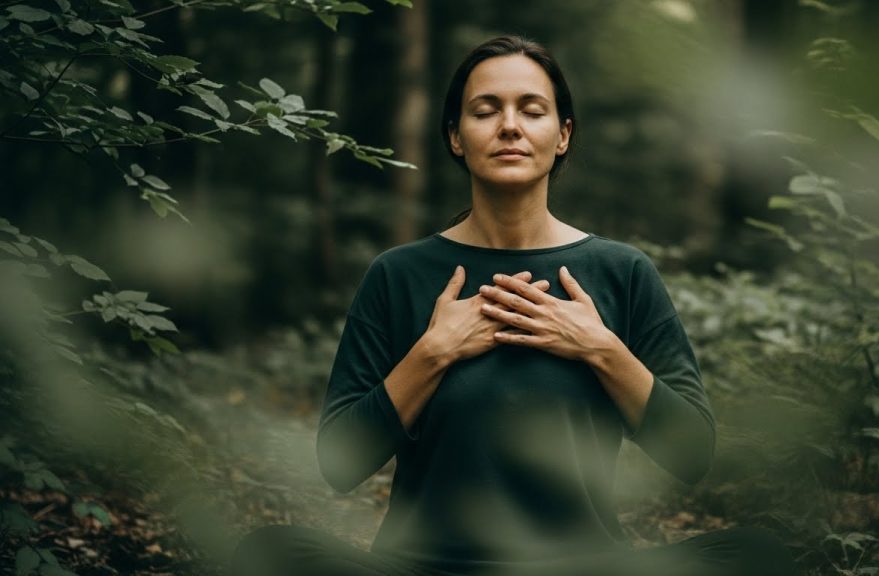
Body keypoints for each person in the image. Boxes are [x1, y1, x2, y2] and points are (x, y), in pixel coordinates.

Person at [230, 35, 799, 576]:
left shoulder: (621, 272)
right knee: (271, 552)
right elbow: (339, 464)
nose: (509, 126)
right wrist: (433, 353)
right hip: (427, 567)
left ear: (563, 134)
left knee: (757, 554)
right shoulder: (398, 275)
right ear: (456, 136)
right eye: (485, 110)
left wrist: (600, 348)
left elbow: (692, 453)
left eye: (531, 109)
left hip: (586, 568)